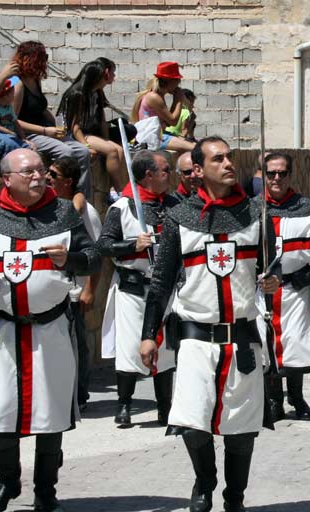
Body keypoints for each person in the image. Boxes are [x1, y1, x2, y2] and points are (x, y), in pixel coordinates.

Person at [139, 137, 279, 512]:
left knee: (241, 429)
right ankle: (205, 481)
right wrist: (148, 335)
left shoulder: (255, 213)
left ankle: (235, 497)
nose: (229, 163)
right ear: (198, 170)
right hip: (197, 337)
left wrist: (272, 281)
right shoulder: (179, 219)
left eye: (230, 157)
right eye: (219, 159)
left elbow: (270, 267)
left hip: (243, 338)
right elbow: (161, 283)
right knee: (191, 420)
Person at [0, 148, 101, 512]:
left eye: (41, 170)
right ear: (7, 179)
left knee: (49, 416)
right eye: (28, 172)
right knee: (0, 413)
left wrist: (73, 259)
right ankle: (7, 482)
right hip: (0, 331)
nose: (38, 177)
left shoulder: (64, 212)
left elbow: (94, 256)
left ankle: (45, 490)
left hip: (50, 331)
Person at [98, 150, 177, 428]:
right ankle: (124, 405)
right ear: (148, 175)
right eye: (165, 169)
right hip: (132, 288)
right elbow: (104, 245)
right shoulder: (121, 207)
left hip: (165, 288)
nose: (171, 174)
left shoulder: (175, 205)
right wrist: (133, 245)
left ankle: (165, 408)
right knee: (131, 346)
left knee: (165, 349)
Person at [261, 152, 310, 423]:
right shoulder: (254, 209)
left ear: (290, 175)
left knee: (295, 346)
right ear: (264, 175)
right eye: (271, 173)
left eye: (282, 173)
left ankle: (296, 398)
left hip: (298, 290)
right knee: (268, 345)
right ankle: (274, 401)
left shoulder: (307, 208)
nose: (276, 178)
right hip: (262, 291)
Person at [47, 156, 102, 414]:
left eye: (52, 175)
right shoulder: (49, 210)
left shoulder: (86, 212)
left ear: (68, 182)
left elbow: (95, 253)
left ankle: (80, 396)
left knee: (78, 344)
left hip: (75, 291)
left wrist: (90, 289)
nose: (47, 178)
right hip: (53, 291)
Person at [5, 42, 93, 196]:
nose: (45, 61)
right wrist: (46, 130)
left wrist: (58, 125)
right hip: (29, 133)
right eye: (43, 57)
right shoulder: (17, 83)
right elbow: (13, 119)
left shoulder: (35, 80)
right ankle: (55, 195)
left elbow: (42, 108)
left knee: (83, 151)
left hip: (45, 129)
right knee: (66, 152)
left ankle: (82, 196)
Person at [57, 57, 128, 189]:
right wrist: (87, 146)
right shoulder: (78, 94)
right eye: (112, 72)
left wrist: (106, 139)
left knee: (119, 149)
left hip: (89, 132)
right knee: (112, 151)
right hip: (76, 135)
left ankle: (124, 188)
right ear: (105, 73)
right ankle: (117, 190)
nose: (114, 76)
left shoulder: (97, 93)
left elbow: (101, 119)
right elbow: (74, 126)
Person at [130, 62, 195, 153]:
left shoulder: (159, 96)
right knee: (196, 148)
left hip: (159, 135)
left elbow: (168, 122)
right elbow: (173, 121)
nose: (178, 85)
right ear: (170, 81)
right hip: (153, 137)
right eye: (177, 81)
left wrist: (176, 101)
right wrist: (178, 100)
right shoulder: (154, 97)